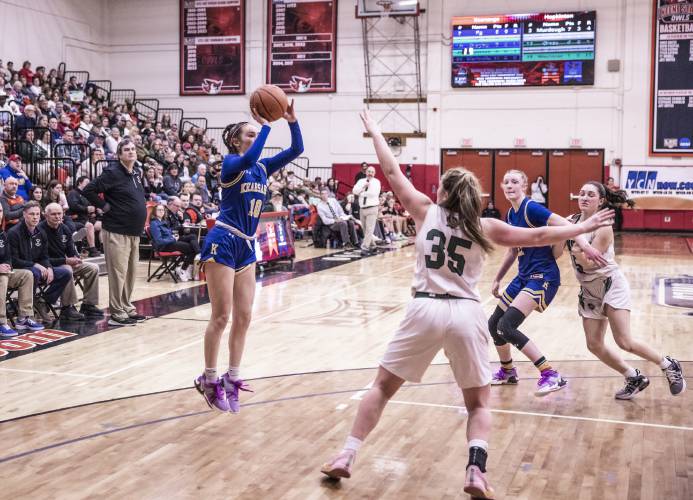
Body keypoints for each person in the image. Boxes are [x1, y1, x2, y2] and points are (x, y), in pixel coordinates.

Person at [320, 111, 614, 498]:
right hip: (464, 312)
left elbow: (392, 173)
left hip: (424, 308)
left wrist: (376, 132)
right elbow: (540, 234)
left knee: (382, 388)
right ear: (474, 195)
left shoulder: (425, 211)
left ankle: (347, 454)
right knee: (477, 404)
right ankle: (476, 471)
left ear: (442, 192)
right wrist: (582, 228)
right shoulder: (486, 225)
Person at [194, 100, 303, 413]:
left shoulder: (262, 168)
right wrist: (268, 125)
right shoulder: (230, 163)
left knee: (244, 317)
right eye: (250, 134)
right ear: (234, 140)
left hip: (246, 245)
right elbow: (252, 154)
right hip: (223, 241)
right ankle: (210, 377)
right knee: (221, 316)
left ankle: (233, 377)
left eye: (257, 133)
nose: (255, 138)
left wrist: (291, 121)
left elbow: (297, 149)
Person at [559, 182, 685, 399]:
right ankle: (633, 376)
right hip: (589, 289)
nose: (584, 197)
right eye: (581, 194)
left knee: (624, 341)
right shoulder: (570, 222)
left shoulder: (604, 226)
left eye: (590, 194)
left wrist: (576, 246)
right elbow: (556, 249)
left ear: (601, 201)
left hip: (611, 285)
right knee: (594, 345)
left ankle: (667, 364)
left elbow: (591, 263)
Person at [488, 169, 607, 395]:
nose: (510, 185)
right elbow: (513, 250)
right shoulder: (511, 215)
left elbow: (566, 225)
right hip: (523, 276)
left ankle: (550, 373)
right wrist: (497, 278)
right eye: (506, 182)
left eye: (515, 181)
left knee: (507, 326)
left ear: (524, 184)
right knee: (494, 325)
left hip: (543, 277)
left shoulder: (531, 208)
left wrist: (587, 246)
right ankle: (508, 372)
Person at [82, 139, 147, 326]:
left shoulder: (136, 172)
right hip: (117, 230)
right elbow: (89, 190)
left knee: (131, 272)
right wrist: (104, 206)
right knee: (118, 273)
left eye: (133, 149)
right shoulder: (112, 172)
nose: (131, 152)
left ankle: (126, 306)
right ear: (119, 154)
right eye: (126, 150)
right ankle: (117, 312)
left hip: (134, 231)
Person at [8, 202, 72, 321]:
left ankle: (43, 301)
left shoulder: (40, 233)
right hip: (21, 268)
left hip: (37, 268)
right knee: (34, 273)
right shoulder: (13, 233)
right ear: (24, 215)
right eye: (32, 214)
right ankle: (27, 312)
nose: (35, 217)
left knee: (65, 273)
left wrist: (48, 267)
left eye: (37, 214)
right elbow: (14, 260)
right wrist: (35, 265)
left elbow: (44, 256)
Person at [39, 203, 103, 319]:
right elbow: (42, 258)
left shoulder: (64, 228)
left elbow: (70, 252)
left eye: (59, 214)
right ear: (46, 215)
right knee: (67, 269)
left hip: (63, 262)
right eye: (53, 214)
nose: (57, 216)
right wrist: (66, 261)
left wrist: (77, 258)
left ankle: (88, 304)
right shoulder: (40, 230)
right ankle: (67, 307)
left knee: (93, 268)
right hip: (48, 266)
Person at [0, 203, 44, 337]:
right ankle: (1, 322)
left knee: (27, 274)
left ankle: (24, 318)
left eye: (0, 210)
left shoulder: (2, 234)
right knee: (1, 278)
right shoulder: (13, 232)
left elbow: (8, 257)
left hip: (4, 272)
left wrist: (6, 265)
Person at [149, 204, 197, 282]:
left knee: (192, 237)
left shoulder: (163, 221)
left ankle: (197, 255)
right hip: (164, 246)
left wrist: (174, 235)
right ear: (154, 212)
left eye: (163, 210)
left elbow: (169, 232)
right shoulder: (154, 224)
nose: (161, 212)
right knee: (191, 248)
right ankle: (182, 269)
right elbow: (159, 241)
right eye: (159, 210)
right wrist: (173, 239)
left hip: (171, 242)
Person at [353, 165, 381, 256]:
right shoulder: (361, 181)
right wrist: (363, 188)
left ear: (375, 173)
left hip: (372, 208)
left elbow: (373, 194)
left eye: (372, 172)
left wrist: (361, 193)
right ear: (366, 172)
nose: (370, 173)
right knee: (365, 230)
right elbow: (354, 191)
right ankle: (373, 246)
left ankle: (364, 248)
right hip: (362, 208)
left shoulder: (377, 182)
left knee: (369, 229)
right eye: (369, 171)